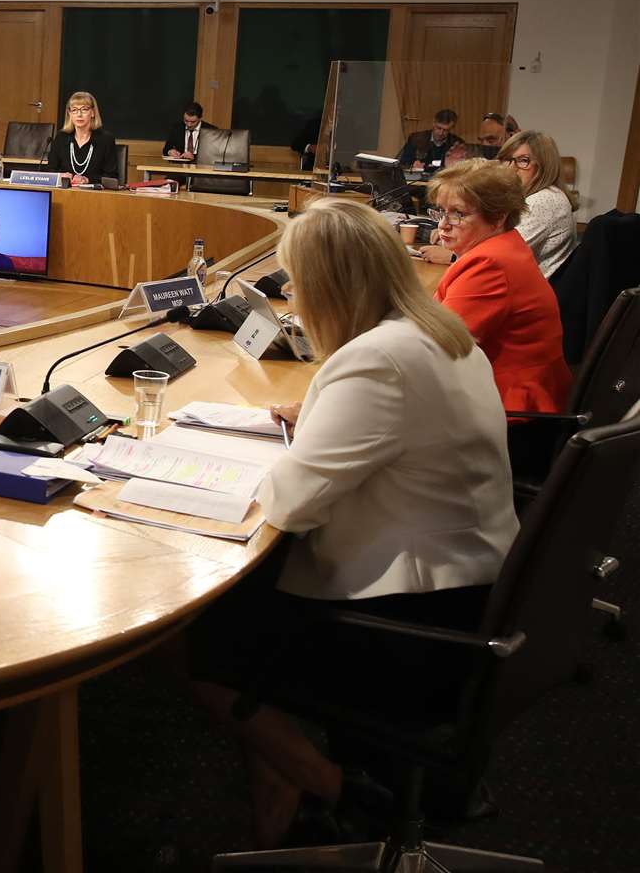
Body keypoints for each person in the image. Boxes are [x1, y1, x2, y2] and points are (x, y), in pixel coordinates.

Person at [185, 198, 515, 848]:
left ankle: (329, 785)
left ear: (329, 286)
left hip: (409, 622)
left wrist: (296, 444)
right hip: (473, 595)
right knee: (248, 604)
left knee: (203, 642)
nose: (294, 306)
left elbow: (288, 506)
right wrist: (318, 421)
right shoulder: (439, 333)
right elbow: (400, 431)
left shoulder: (374, 361)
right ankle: (284, 787)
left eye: (298, 287)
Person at [422, 159, 573, 413]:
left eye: (458, 213)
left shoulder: (489, 264)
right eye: (440, 210)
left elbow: (436, 345)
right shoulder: (503, 246)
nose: (443, 224)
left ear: (499, 217)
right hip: (511, 395)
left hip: (512, 410)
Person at [496, 129, 578, 279]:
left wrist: (451, 256)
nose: (511, 168)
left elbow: (498, 255)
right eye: (507, 159)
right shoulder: (528, 196)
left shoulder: (544, 200)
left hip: (526, 297)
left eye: (523, 160)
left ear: (544, 165)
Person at [46, 91, 121, 185]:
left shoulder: (106, 140)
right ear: (69, 114)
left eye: (84, 109)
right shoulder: (61, 138)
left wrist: (88, 180)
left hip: (96, 195)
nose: (79, 114)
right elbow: (50, 170)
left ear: (93, 112)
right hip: (65, 193)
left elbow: (112, 176)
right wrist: (60, 175)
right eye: (74, 110)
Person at [396, 108, 462, 174]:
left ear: (452, 128)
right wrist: (412, 165)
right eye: (438, 128)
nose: (440, 133)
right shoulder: (416, 139)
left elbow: (461, 169)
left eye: (445, 130)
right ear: (433, 123)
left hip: (443, 180)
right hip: (418, 179)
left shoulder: (456, 144)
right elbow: (402, 163)